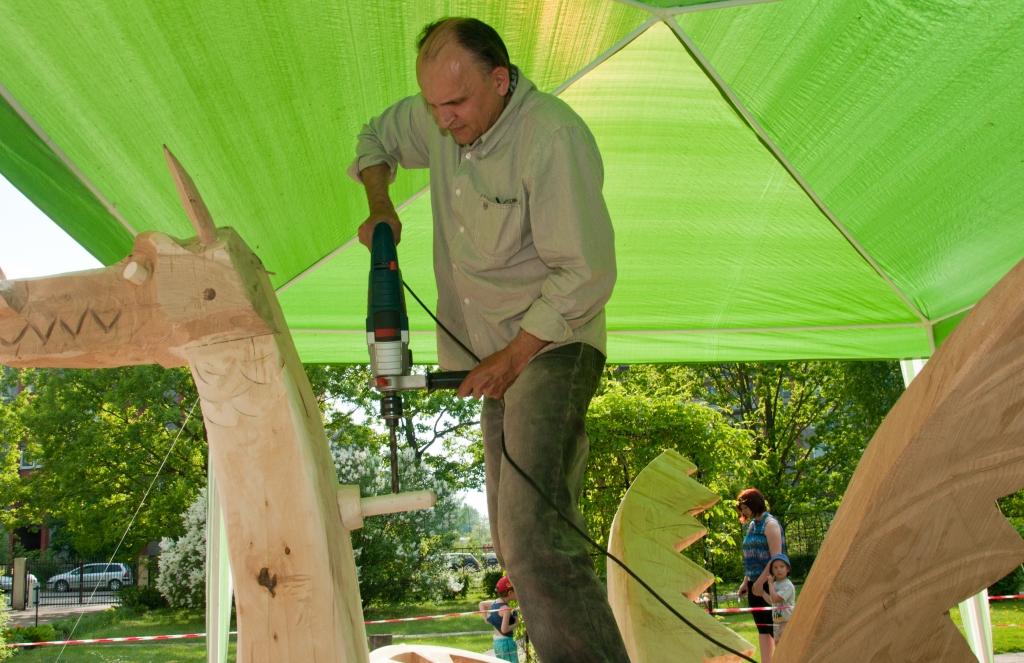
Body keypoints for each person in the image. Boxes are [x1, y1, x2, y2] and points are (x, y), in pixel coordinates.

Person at [350, 16, 626, 663]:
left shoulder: (552, 137)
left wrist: (511, 356)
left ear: (500, 80)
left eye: (457, 103)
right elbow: (374, 138)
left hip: (554, 346)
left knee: (532, 537)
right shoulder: (439, 118)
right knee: (515, 541)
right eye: (432, 105)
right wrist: (379, 200)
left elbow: (587, 272)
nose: (442, 121)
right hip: (495, 358)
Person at [736, 487, 785, 663]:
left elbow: (776, 559)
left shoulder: (770, 524)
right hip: (753, 583)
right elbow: (750, 557)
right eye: (741, 509)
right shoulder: (752, 525)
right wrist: (746, 581)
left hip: (769, 585)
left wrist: (761, 582)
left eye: (745, 507)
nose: (743, 511)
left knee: (776, 629)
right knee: (763, 629)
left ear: (755, 504)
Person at [480, 575, 519, 663]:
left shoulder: (495, 603)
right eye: (516, 590)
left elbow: (481, 604)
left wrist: (486, 619)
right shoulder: (506, 609)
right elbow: (504, 630)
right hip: (506, 643)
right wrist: (516, 623)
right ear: (510, 593)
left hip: (497, 642)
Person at [766, 552, 795, 643]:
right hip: (777, 622)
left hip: (786, 622)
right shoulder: (774, 584)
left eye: (782, 566)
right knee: (777, 647)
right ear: (772, 571)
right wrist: (762, 593)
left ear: (787, 569)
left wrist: (770, 584)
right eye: (775, 567)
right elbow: (771, 601)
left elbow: (775, 599)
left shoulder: (787, 585)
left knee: (785, 646)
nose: (779, 570)